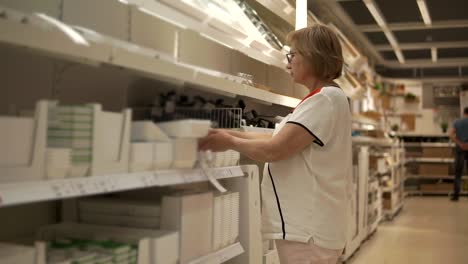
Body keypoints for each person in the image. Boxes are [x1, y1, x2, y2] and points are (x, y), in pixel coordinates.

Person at [199, 24, 351, 264]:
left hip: (308, 230)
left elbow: (274, 150)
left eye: (293, 55)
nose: (288, 63)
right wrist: (225, 134)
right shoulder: (323, 98)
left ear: (312, 56)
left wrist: (228, 141)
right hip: (312, 226)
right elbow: (277, 139)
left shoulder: (324, 100)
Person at [449, 107, 468, 201]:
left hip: (460, 149)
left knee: (458, 173)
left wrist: (460, 143)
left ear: (464, 113)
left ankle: (456, 196)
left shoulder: (457, 122)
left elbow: (451, 135)